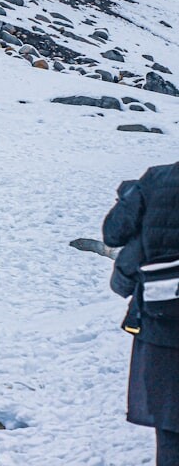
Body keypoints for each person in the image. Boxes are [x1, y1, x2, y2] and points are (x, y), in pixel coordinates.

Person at [103, 162, 179, 466]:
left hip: (163, 321)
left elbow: (113, 233)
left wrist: (130, 194)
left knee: (171, 421)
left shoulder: (156, 179)